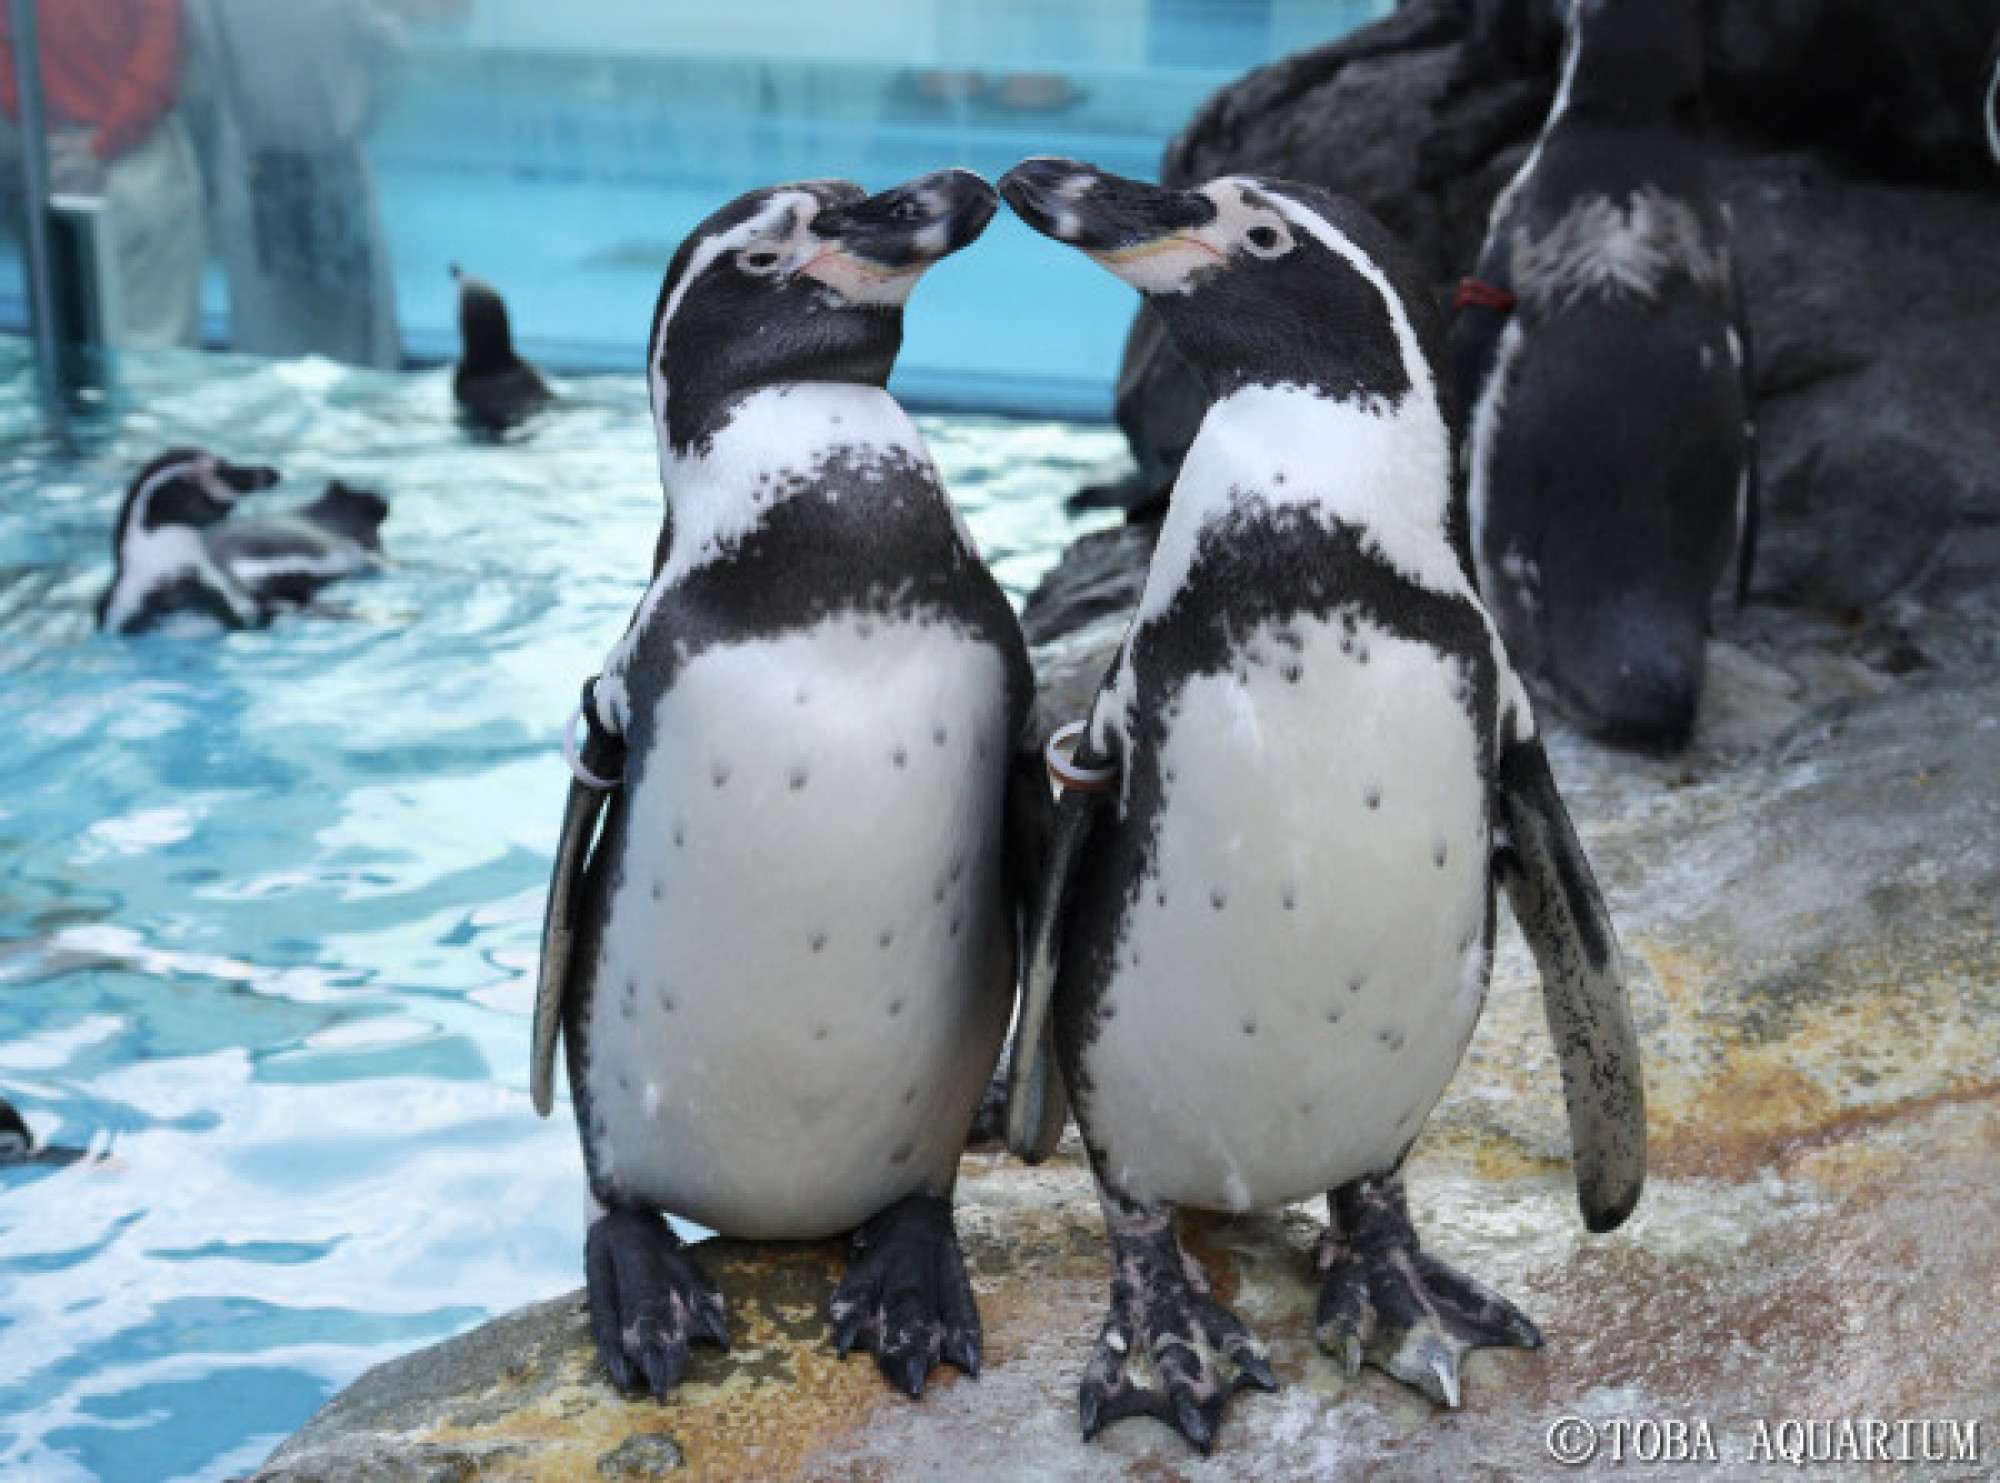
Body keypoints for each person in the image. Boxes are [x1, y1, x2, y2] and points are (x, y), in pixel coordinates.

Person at [185, 0, 404, 367]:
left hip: (250, 174)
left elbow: (197, 82)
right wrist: (366, 113)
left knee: (267, 336)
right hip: (332, 167)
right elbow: (393, 49)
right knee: (348, 340)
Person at [0, 0, 205, 348]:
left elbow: (9, 68)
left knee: (68, 345)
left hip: (51, 159)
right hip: (136, 159)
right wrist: (102, 144)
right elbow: (158, 63)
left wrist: (45, 136)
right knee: (157, 347)